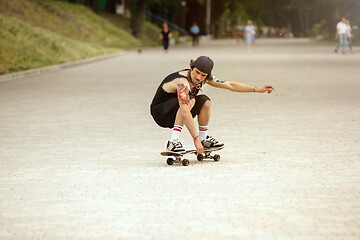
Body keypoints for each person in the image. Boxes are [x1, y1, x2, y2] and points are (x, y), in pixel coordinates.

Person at [150, 56, 275, 155]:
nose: (198, 77)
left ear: (207, 75)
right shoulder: (182, 82)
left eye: (203, 75)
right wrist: (195, 140)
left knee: (205, 101)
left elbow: (230, 85)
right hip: (161, 112)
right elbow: (184, 111)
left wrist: (256, 89)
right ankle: (173, 141)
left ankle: (205, 140)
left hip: (178, 111)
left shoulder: (204, 78)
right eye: (196, 72)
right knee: (191, 100)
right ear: (192, 68)